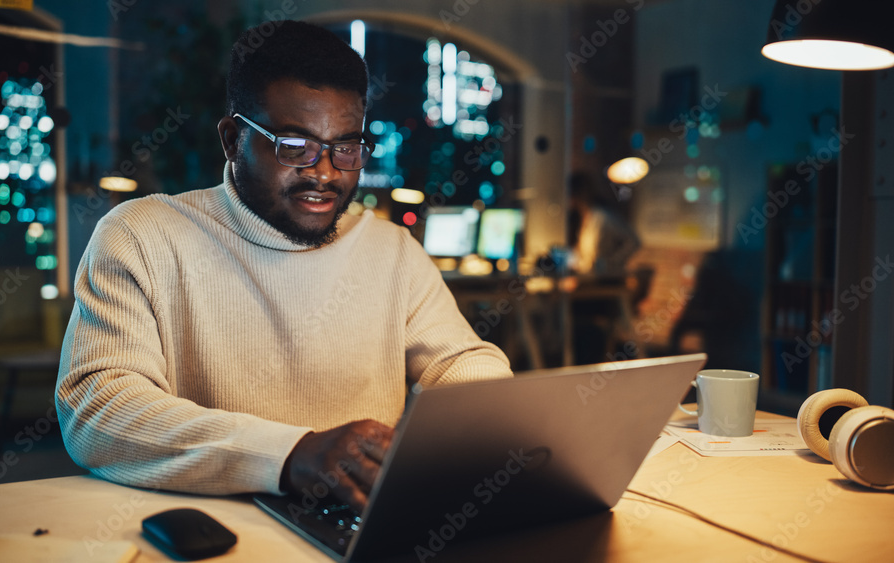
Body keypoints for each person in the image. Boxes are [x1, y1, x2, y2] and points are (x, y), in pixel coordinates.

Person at [55, 20, 512, 513]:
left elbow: (458, 361)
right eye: (295, 146)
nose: (324, 172)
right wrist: (291, 455)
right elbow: (97, 409)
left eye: (346, 148)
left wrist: (495, 415)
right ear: (232, 140)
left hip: (361, 519)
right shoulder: (143, 236)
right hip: (219, 522)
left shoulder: (390, 249)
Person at [567, 171, 640, 277]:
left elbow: (633, 241)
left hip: (603, 279)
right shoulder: (583, 218)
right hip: (587, 277)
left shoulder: (602, 218)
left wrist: (611, 263)